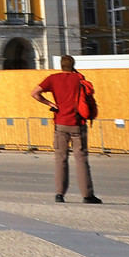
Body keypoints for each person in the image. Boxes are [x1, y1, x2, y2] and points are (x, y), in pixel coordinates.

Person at [33, 55, 100, 203]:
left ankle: (59, 194)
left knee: (60, 159)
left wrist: (50, 104)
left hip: (60, 124)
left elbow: (35, 93)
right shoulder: (79, 79)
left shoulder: (53, 78)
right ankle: (87, 195)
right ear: (73, 64)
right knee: (81, 159)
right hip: (77, 123)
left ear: (61, 65)